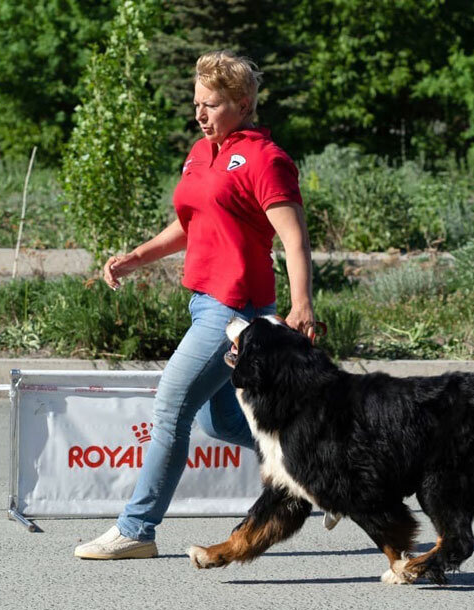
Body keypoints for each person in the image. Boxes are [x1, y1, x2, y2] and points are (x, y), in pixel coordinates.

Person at [74, 50, 315, 560]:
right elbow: (191, 223)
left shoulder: (265, 158)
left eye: (211, 105)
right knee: (221, 423)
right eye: (196, 103)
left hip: (236, 311)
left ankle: (136, 529)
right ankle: (319, 470)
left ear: (244, 102)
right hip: (203, 303)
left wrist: (302, 306)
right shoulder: (200, 151)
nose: (200, 114)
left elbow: (294, 239)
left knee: (170, 408)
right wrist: (135, 258)